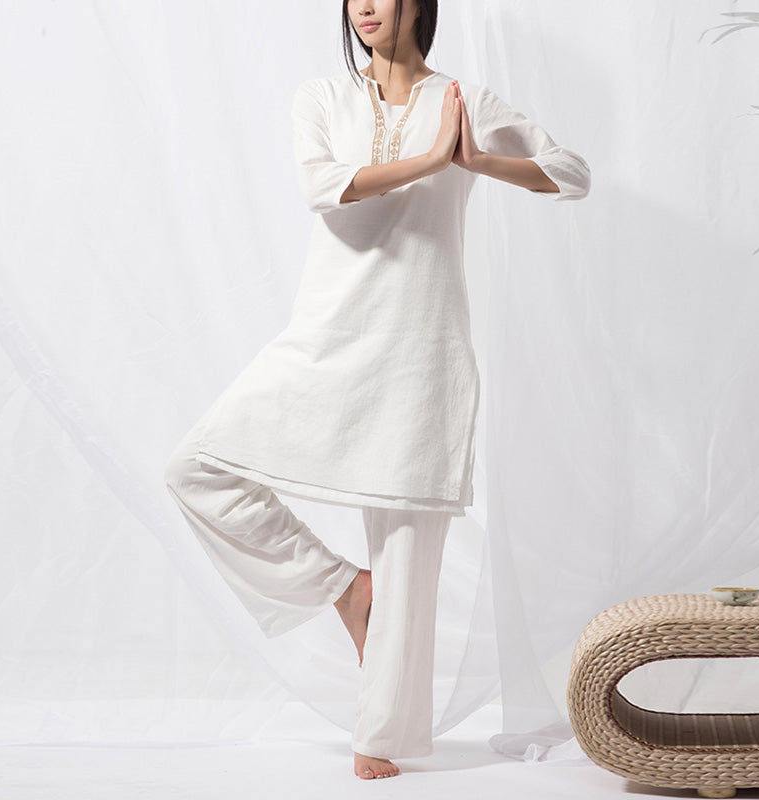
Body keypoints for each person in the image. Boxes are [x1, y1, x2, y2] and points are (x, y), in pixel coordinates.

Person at [164, 0, 591, 781]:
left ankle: (380, 734)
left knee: (407, 554)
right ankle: (344, 588)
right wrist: (429, 162)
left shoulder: (462, 100)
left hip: (423, 348)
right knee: (195, 468)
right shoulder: (322, 98)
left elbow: (572, 174)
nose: (364, 5)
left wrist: (476, 160)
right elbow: (325, 186)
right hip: (328, 335)